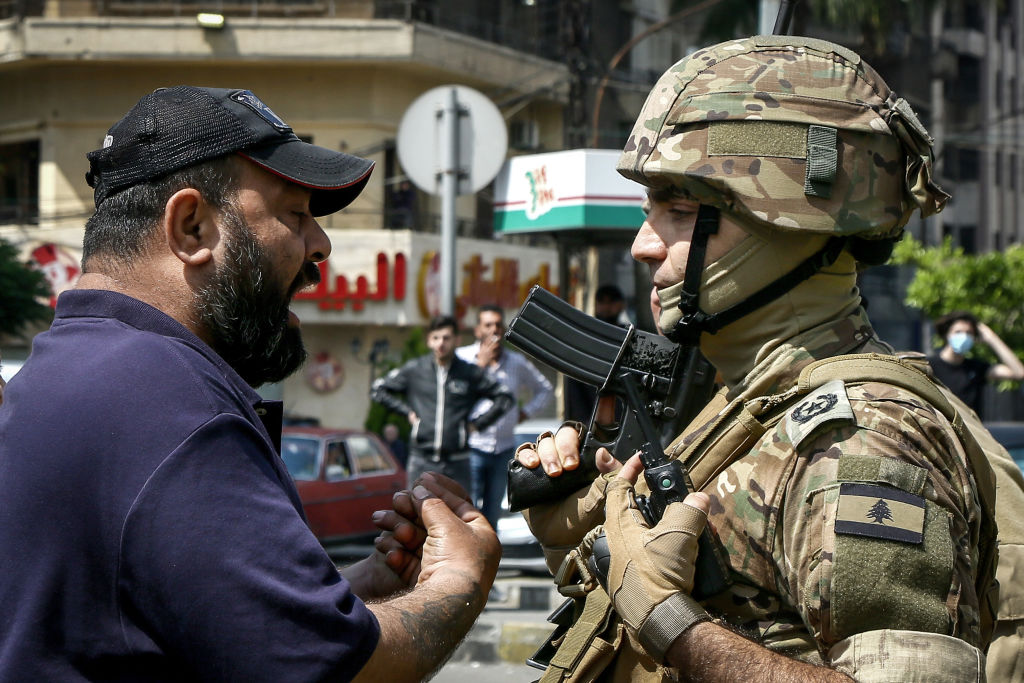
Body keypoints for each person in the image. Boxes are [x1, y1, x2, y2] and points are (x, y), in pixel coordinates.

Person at [513, 37, 998, 681]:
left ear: (786, 222)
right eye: (649, 209)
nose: (643, 245)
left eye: (680, 211)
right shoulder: (745, 402)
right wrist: (579, 539)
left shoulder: (857, 442)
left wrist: (669, 621)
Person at [0, 86, 500, 682]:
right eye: (295, 215)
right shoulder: (172, 410)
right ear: (191, 227)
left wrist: (351, 593)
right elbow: (340, 674)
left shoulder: (65, 369)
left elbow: (217, 635)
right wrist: (459, 578)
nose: (321, 245)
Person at [371, 315, 514, 492]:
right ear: (429, 341)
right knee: (417, 515)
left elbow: (505, 397)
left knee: (460, 517)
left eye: (446, 338)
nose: (441, 343)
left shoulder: (469, 372)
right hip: (421, 460)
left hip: (458, 462)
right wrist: (406, 412)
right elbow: (378, 389)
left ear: (457, 340)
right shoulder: (415, 369)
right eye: (436, 338)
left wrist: (477, 425)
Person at [456, 304, 553, 527]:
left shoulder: (516, 362)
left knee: (492, 515)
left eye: (498, 325)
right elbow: (455, 397)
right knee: (466, 510)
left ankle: (488, 559)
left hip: (502, 449)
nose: (494, 330)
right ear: (478, 330)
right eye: (488, 325)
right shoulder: (463, 359)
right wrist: (480, 366)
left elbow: (545, 389)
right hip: (471, 448)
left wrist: (525, 412)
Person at [928, 310, 1024, 419]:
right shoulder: (929, 365)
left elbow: (1019, 372)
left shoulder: (976, 368)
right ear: (947, 334)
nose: (963, 336)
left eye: (969, 333)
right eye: (958, 332)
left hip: (971, 432)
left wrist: (992, 338)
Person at [564, 284, 627, 422]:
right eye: (602, 302)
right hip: (590, 421)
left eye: (611, 302)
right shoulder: (586, 340)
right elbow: (575, 390)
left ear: (621, 305)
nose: (606, 307)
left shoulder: (630, 339)